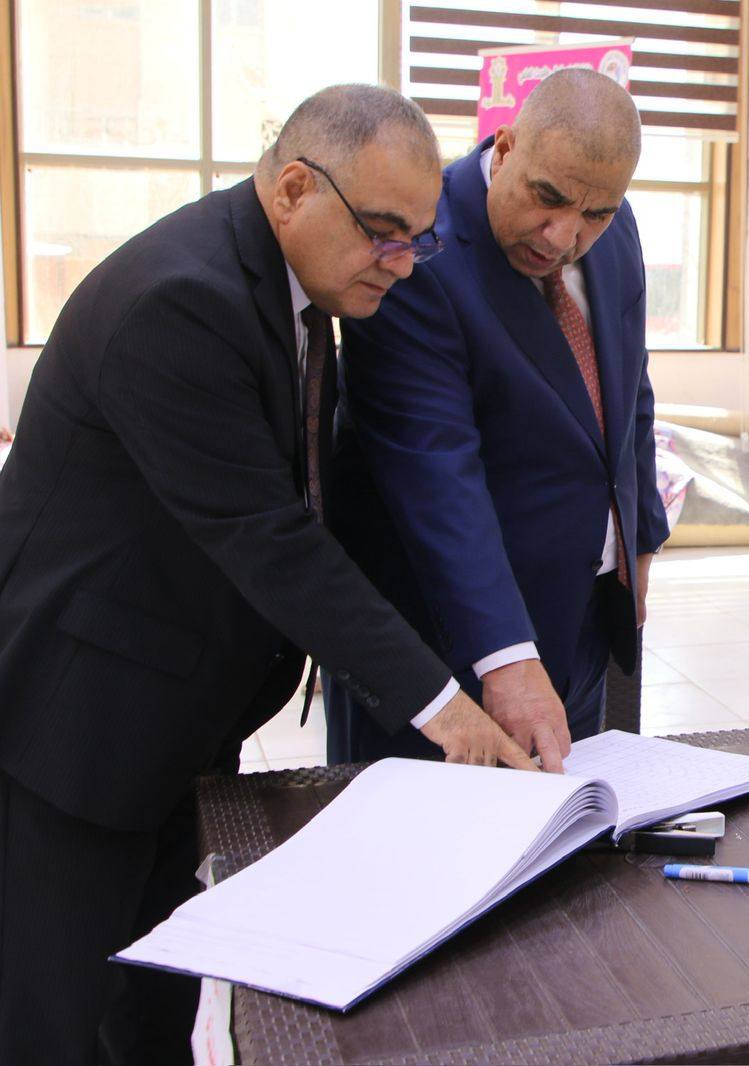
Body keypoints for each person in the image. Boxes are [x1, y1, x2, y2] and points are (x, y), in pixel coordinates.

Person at [0, 85, 534, 1065]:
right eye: (383, 232)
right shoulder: (180, 301)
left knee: (157, 998)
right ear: (294, 189)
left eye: (420, 238)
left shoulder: (292, 284)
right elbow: (269, 537)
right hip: (78, 724)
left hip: (170, 713)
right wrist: (447, 708)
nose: (403, 262)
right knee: (51, 1015)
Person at [324, 68, 671, 771]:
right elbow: (434, 471)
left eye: (595, 213)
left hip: (580, 614)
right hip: (449, 645)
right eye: (548, 198)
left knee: (565, 825)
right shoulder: (421, 245)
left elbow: (629, 388)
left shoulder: (616, 227)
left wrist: (638, 543)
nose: (563, 236)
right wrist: (505, 655)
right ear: (506, 147)